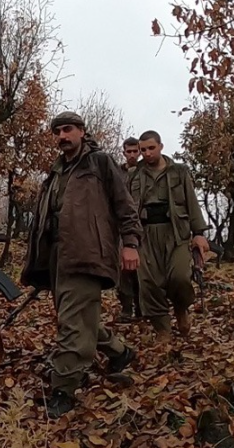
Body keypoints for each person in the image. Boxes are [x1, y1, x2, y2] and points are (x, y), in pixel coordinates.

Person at [21, 111, 143, 418]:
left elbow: (124, 204)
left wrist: (130, 243)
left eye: (68, 129)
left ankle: (63, 390)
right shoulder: (56, 172)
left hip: (88, 253)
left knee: (73, 325)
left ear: (82, 131)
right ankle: (120, 352)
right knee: (78, 318)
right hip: (58, 258)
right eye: (58, 131)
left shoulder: (100, 163)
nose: (63, 136)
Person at [128, 130, 209, 338]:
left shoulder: (179, 171)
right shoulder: (134, 174)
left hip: (176, 232)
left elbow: (191, 200)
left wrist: (198, 233)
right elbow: (126, 207)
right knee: (148, 283)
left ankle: (181, 308)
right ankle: (162, 330)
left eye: (151, 148)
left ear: (161, 146)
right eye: (142, 150)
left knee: (180, 277)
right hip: (145, 234)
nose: (146, 153)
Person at [118, 137, 142, 321]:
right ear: (124, 152)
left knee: (142, 270)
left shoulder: (145, 172)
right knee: (124, 269)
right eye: (129, 151)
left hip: (144, 227)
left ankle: (142, 308)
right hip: (122, 226)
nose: (132, 155)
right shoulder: (117, 173)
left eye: (135, 151)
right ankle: (126, 308)